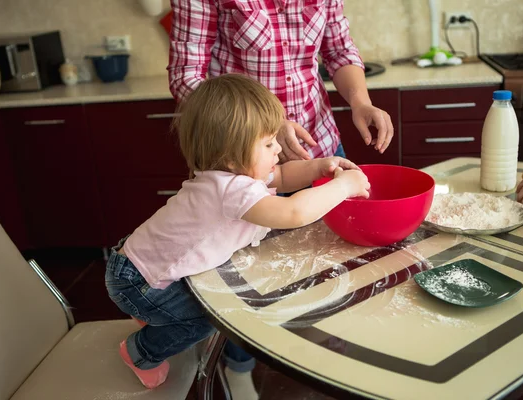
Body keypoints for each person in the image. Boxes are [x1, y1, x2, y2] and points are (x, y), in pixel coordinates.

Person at [105, 74, 370, 396]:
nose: (278, 151)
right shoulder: (231, 191)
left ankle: (155, 315)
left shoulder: (232, 175)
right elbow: (293, 213)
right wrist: (343, 186)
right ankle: (141, 351)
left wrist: (319, 168)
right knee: (209, 319)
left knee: (204, 305)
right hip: (140, 284)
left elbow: (283, 175)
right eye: (269, 143)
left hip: (138, 267)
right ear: (232, 156)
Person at [167, 0, 394, 164]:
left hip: (320, 146)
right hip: (244, 158)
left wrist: (360, 102)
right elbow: (185, 77)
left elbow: (340, 51)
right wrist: (266, 126)